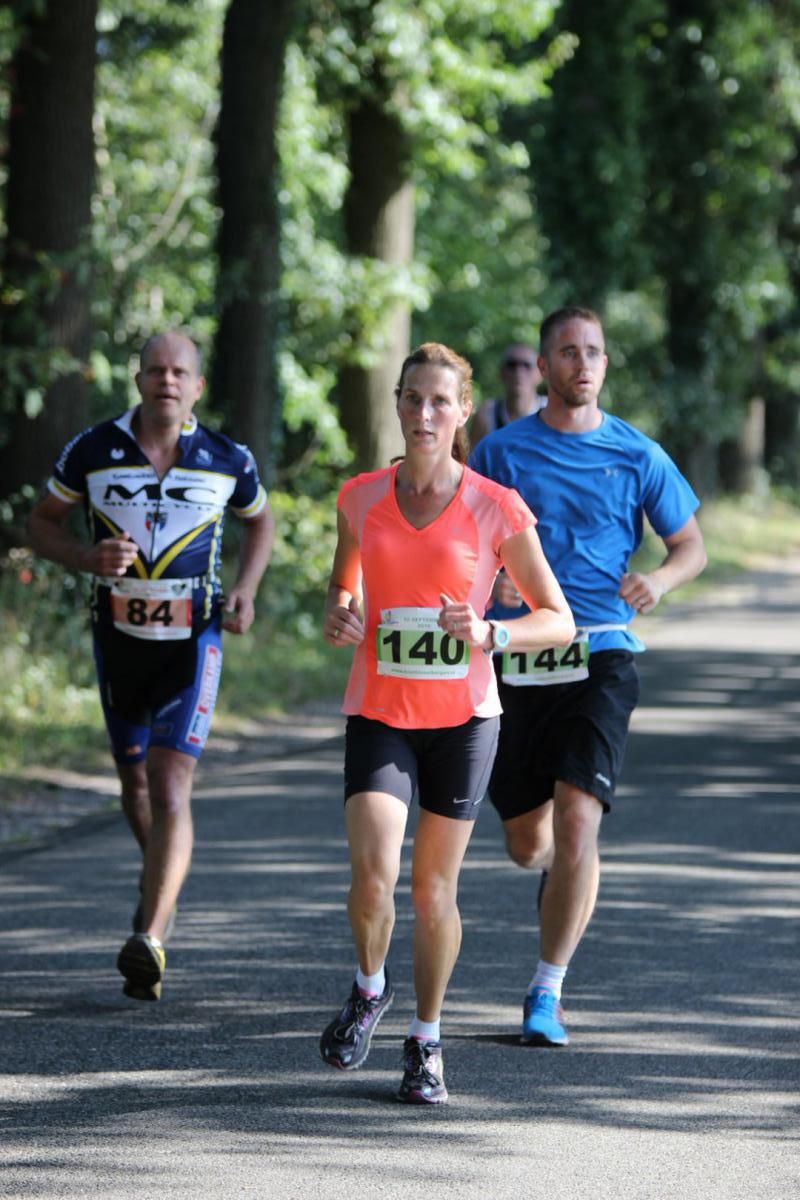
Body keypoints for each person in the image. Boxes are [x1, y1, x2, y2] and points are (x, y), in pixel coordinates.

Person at [318, 341, 575, 1105]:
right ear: (396, 405)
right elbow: (345, 582)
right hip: (380, 710)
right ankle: (370, 987)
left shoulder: (497, 507)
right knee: (373, 877)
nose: (423, 413)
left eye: (439, 401)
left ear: (464, 412)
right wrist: (340, 610)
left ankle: (426, 1040)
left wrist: (492, 634)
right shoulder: (360, 497)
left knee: (433, 891)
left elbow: (557, 621)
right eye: (411, 399)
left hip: (463, 719)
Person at [470, 307, 707, 1048]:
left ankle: (547, 990)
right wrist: (491, 594)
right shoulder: (501, 452)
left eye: (594, 352)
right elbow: (465, 542)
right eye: (567, 352)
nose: (582, 363)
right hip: (517, 656)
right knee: (526, 843)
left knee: (579, 817)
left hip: (602, 649)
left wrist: (661, 582)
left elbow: (691, 543)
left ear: (606, 365)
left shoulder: (638, 454)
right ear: (543, 368)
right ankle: (552, 869)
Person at [28, 331, 275, 1002]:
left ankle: (152, 935)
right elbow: (40, 523)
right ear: (138, 380)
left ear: (197, 386)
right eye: (156, 369)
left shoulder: (227, 459)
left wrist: (246, 590)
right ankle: (160, 886)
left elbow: (262, 523)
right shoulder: (93, 450)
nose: (168, 380)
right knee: (134, 787)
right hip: (119, 639)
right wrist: (86, 559)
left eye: (181, 371)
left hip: (195, 641)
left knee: (170, 787)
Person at [469, 342, 546, 447]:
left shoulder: (553, 411)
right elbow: (472, 461)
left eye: (527, 365)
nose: (519, 372)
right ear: (502, 372)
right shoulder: (487, 415)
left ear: (540, 373)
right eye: (512, 365)